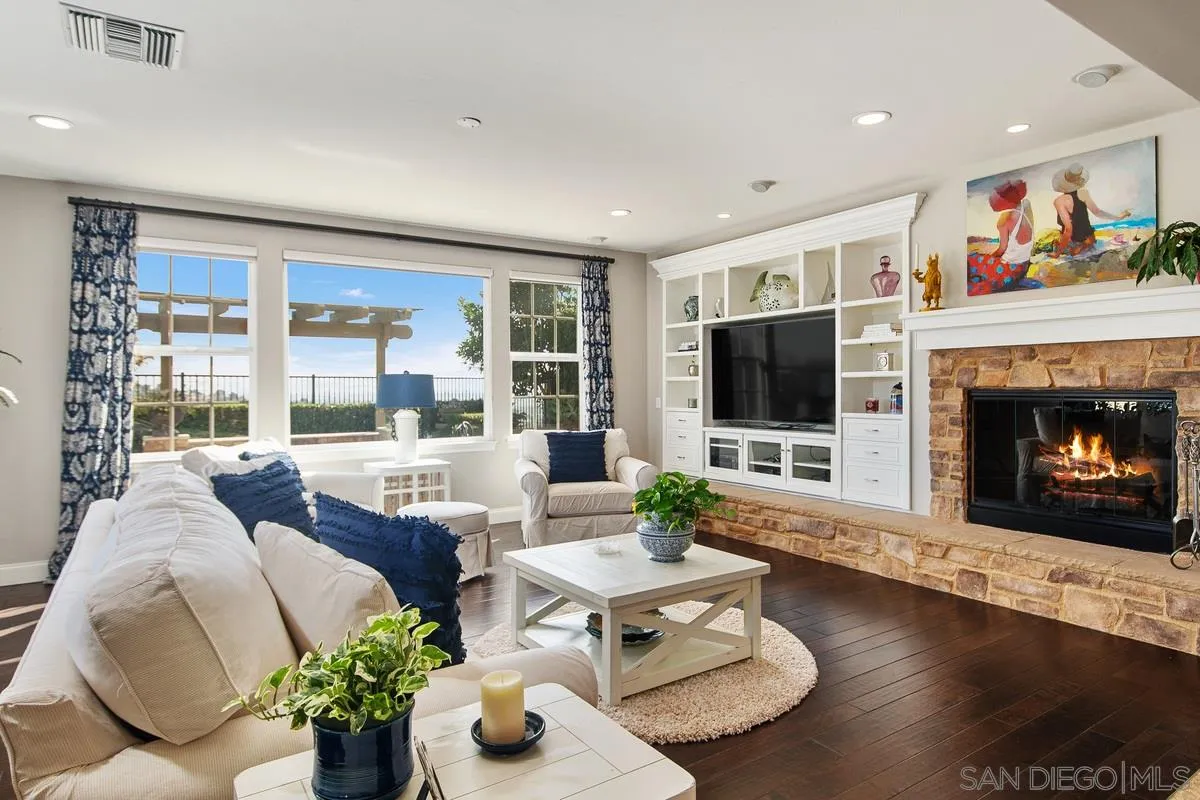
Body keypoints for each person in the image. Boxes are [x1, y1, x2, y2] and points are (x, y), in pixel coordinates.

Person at [967, 179, 1037, 295]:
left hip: (1008, 272)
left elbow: (1002, 249)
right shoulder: (1025, 211)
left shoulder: (1005, 219)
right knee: (981, 259)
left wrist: (990, 257)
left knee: (972, 259)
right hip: (1023, 268)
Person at [1051, 163, 1131, 256]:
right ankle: (1084, 245)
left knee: (1055, 243)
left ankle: (1078, 247)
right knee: (1084, 239)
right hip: (1089, 239)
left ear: (1063, 183)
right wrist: (1118, 217)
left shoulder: (1059, 201)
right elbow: (1098, 212)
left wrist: (1057, 253)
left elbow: (1068, 230)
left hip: (1073, 242)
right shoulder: (1083, 193)